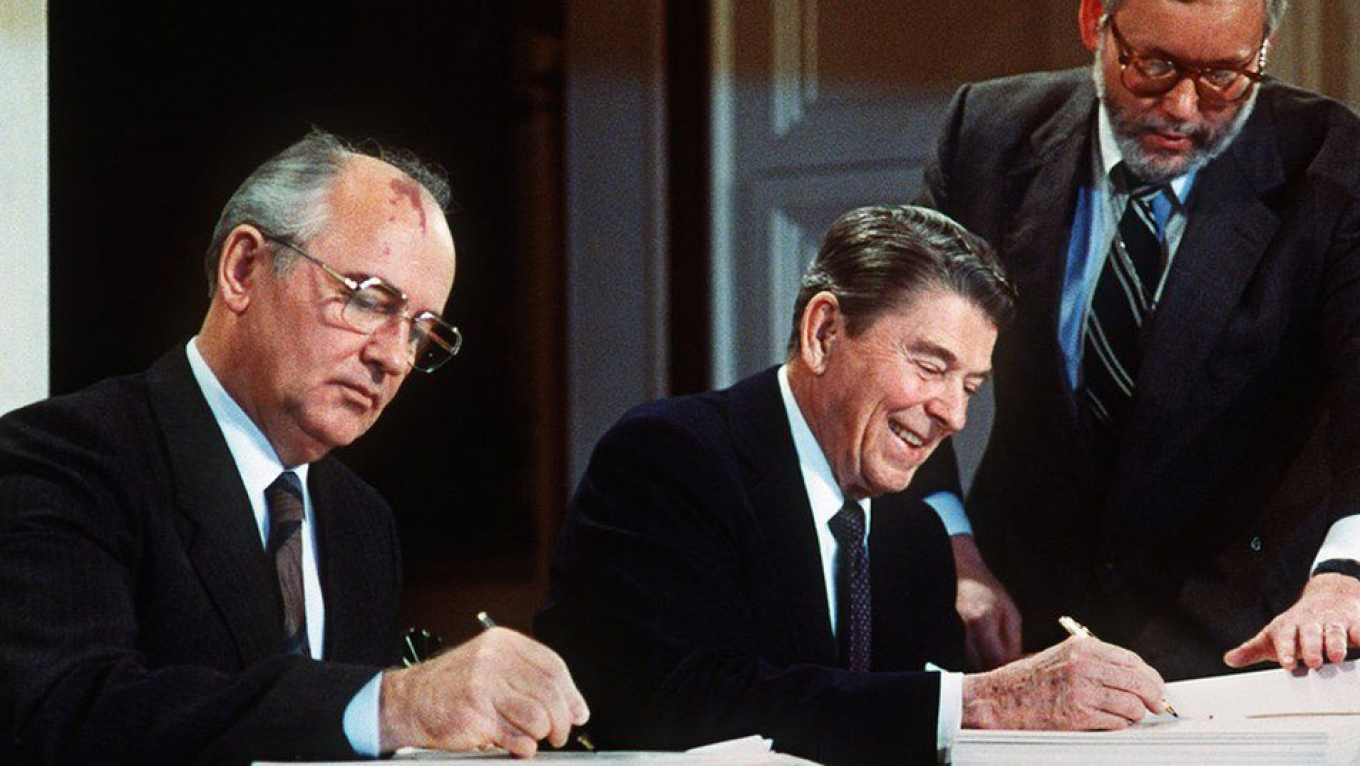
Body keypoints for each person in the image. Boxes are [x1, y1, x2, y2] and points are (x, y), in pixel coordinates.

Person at [0, 130, 588, 765]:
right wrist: (392, 704)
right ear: (244, 268)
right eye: (369, 299)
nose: (393, 358)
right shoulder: (62, 458)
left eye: (422, 333)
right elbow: (68, 715)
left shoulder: (361, 522)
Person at [537, 205, 1168, 766]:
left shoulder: (917, 534)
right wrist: (975, 701)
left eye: (971, 386)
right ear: (823, 333)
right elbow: (672, 700)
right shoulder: (672, 456)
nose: (955, 414)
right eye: (931, 366)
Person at [916, 0, 1360, 680]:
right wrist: (950, 545)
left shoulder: (1334, 164)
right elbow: (903, 355)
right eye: (1153, 66)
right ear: (1096, 20)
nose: (1183, 108)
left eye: (1225, 76)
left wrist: (1344, 572)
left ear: (1263, 48)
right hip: (1016, 622)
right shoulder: (987, 131)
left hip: (1246, 636)